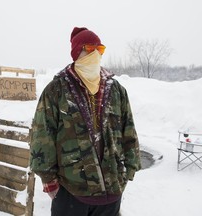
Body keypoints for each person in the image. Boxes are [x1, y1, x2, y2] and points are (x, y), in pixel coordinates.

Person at [30, 27, 141, 216]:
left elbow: (128, 130)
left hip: (111, 193)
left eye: (100, 49)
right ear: (76, 52)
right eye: (90, 49)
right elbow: (42, 135)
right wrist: (48, 179)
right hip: (71, 191)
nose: (96, 54)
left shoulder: (116, 90)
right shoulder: (57, 90)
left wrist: (128, 171)